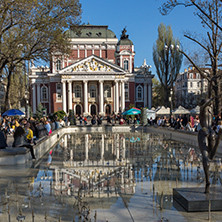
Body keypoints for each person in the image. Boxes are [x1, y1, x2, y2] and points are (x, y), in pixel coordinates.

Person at [198, 97, 222, 193]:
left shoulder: (209, 110)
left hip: (207, 131)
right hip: (207, 131)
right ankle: (207, 181)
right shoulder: (203, 109)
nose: (211, 105)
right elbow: (204, 105)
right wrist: (211, 98)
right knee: (207, 156)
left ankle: (207, 180)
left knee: (208, 156)